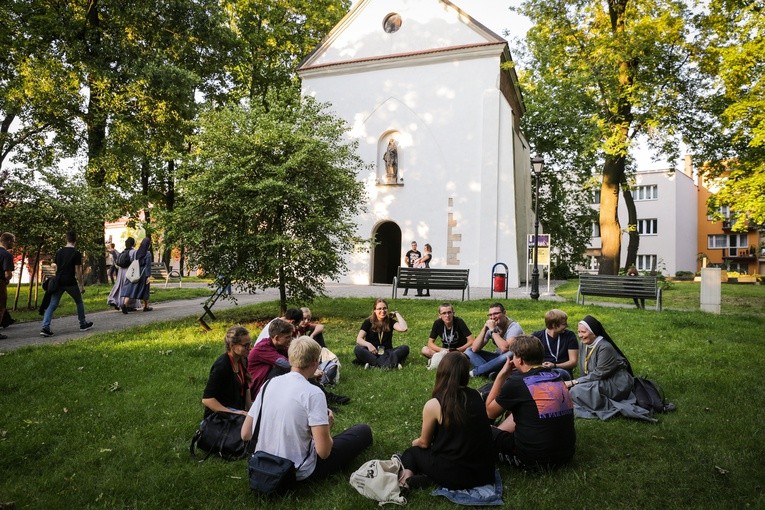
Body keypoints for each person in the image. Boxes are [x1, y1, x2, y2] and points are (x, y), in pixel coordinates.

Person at [242, 336, 372, 482]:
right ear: (315, 362)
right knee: (363, 431)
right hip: (296, 471)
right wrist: (327, 427)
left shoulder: (269, 384)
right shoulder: (313, 393)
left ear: (290, 359)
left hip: (262, 463)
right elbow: (323, 452)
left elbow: (246, 434)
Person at [398, 351, 495, 490]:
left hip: (454, 474)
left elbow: (424, 443)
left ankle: (405, 480)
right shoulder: (477, 395)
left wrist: (415, 442)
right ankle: (428, 479)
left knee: (412, 452)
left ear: (441, 372)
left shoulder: (435, 404)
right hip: (483, 473)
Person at [485, 335, 575, 469]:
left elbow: (489, 412)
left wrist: (501, 376)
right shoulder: (557, 378)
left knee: (481, 429)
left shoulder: (517, 383)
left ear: (519, 360)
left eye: (513, 356)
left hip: (533, 460)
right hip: (565, 455)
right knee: (528, 410)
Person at [565, 315, 653, 421]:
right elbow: (584, 368)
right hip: (598, 379)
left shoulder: (604, 347)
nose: (580, 335)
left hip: (615, 382)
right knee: (573, 390)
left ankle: (610, 407)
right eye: (579, 332)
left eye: (583, 332)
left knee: (575, 391)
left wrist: (574, 382)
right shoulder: (584, 343)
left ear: (593, 332)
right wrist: (580, 382)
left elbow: (600, 374)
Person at [40, 231, 93, 337]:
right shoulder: (76, 253)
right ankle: (82, 324)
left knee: (53, 304)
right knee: (79, 301)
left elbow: (55, 267)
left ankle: (45, 327)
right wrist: (81, 285)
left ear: (66, 239)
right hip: (70, 282)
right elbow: (78, 270)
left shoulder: (59, 252)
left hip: (59, 281)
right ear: (75, 240)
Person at [202, 325, 252, 417]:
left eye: (250, 344)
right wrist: (233, 413)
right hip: (220, 418)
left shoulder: (243, 359)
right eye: (246, 345)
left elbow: (246, 388)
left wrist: (252, 412)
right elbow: (207, 399)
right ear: (232, 345)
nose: (250, 348)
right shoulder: (222, 366)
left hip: (237, 412)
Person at [466, 303, 523, 378]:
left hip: (512, 360)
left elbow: (505, 348)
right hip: (497, 358)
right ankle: (490, 371)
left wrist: (493, 330)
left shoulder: (514, 327)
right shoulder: (491, 326)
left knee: (511, 353)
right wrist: (484, 329)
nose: (492, 317)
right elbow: (475, 349)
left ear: (504, 313)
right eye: (490, 315)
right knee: (469, 351)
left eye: (496, 313)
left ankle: (476, 372)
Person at [354, 298, 409, 368]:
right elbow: (359, 339)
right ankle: (389, 364)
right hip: (372, 352)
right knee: (358, 349)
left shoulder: (390, 321)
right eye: (379, 309)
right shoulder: (368, 322)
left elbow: (404, 328)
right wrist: (368, 345)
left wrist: (396, 313)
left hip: (387, 352)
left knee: (405, 348)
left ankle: (374, 365)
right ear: (374, 310)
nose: (382, 311)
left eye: (384, 308)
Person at [247, 318, 294, 398]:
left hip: (265, 384)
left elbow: (295, 357)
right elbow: (286, 364)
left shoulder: (280, 346)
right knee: (281, 368)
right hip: (256, 391)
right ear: (277, 338)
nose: (290, 340)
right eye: (287, 337)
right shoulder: (263, 348)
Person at [531, 309, 578, 381]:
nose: (567, 326)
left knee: (558, 374)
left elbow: (573, 362)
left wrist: (555, 365)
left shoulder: (569, 335)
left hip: (563, 371)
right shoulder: (537, 337)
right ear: (554, 325)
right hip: (542, 371)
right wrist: (540, 366)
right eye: (564, 324)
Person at [120, 237, 153, 313]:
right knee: (145, 290)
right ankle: (146, 306)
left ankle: (124, 304)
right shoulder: (148, 253)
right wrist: (148, 276)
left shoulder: (136, 252)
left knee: (131, 288)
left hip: (134, 272)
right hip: (143, 273)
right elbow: (148, 265)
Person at [107, 237, 137, 311]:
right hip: (129, 270)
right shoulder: (134, 252)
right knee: (129, 287)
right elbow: (135, 262)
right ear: (133, 243)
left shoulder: (123, 251)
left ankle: (114, 300)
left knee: (119, 286)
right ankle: (127, 304)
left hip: (121, 271)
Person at [0, 232, 15, 340]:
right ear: (9, 241)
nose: (13, 244)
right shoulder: (6, 255)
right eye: (13, 241)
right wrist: (7, 279)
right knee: (1, 307)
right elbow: (7, 274)